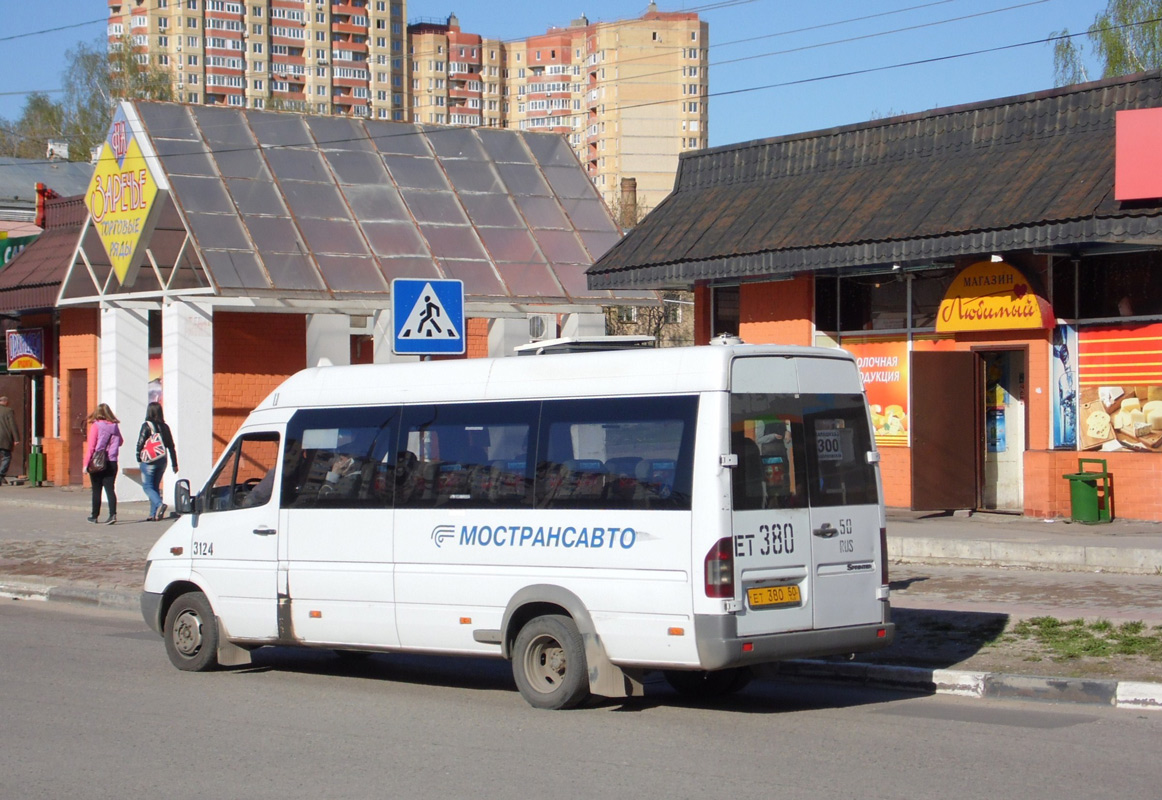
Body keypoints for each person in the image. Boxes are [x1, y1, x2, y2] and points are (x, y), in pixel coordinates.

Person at [136, 402, 179, 521]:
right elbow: (171, 446)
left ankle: (159, 504)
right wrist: (174, 464)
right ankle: (153, 514)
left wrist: (138, 458)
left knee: (147, 486)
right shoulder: (165, 427)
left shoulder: (146, 426)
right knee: (154, 486)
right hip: (162, 460)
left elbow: (140, 443)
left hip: (149, 460)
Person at [84, 403, 124, 524]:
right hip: (112, 461)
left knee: (96, 490)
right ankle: (112, 515)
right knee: (110, 489)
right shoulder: (115, 427)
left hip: (98, 461)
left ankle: (94, 515)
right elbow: (121, 442)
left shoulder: (96, 426)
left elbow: (91, 447)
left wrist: (86, 464)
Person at [0, 396, 19, 486]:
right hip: (4, 438)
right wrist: (16, 438)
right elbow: (12, 425)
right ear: (6, 402)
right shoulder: (8, 411)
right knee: (6, 457)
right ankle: (1, 474)